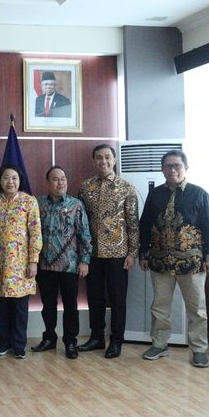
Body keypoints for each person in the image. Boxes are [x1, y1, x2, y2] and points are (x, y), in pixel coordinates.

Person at [139, 150, 209, 368]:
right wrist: (143, 254)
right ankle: (159, 344)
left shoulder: (199, 194)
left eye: (176, 166)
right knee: (159, 307)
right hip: (160, 260)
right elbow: (145, 225)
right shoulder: (155, 195)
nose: (172, 170)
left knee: (197, 309)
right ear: (162, 169)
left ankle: (199, 349)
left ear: (185, 168)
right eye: (167, 166)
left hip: (192, 262)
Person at [77, 144, 139, 359]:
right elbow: (81, 223)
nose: (103, 161)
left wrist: (133, 253)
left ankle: (116, 340)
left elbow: (133, 223)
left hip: (118, 253)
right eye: (99, 158)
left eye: (107, 158)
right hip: (92, 254)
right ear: (93, 161)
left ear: (114, 160)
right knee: (94, 297)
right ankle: (96, 337)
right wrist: (81, 254)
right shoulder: (85, 188)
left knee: (118, 298)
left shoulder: (127, 188)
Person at [33, 166, 92, 359]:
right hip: (45, 265)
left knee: (70, 305)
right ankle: (49, 338)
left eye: (63, 179)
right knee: (47, 304)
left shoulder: (76, 205)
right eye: (56, 179)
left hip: (70, 265)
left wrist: (84, 261)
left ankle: (70, 342)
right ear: (48, 183)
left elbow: (85, 235)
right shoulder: (38, 203)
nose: (61, 183)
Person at [0, 165, 42, 359]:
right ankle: (3, 342)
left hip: (21, 264)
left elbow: (35, 232)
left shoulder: (29, 202)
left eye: (14, 178)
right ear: (0, 181)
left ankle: (19, 345)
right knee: (1, 306)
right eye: (6, 178)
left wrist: (33, 261)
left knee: (20, 308)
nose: (10, 182)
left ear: (19, 180)